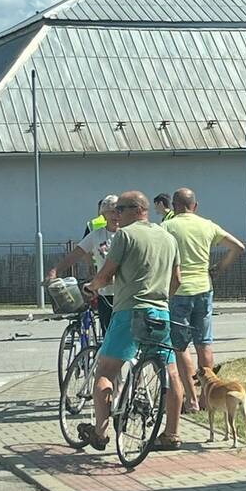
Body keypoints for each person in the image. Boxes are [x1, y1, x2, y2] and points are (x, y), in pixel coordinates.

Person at [79, 191, 185, 452]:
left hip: (129, 311)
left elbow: (106, 274)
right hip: (160, 313)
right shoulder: (168, 238)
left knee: (106, 371)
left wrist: (91, 287)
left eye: (120, 209)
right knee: (170, 372)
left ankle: (101, 433)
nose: (116, 215)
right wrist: (162, 299)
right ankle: (171, 433)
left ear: (136, 210)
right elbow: (178, 280)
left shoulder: (125, 235)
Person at [163, 187, 245, 412]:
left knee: (180, 347)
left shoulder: (167, 226)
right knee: (204, 343)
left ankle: (190, 399)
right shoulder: (207, 225)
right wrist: (219, 267)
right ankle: (206, 398)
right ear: (195, 206)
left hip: (178, 290)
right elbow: (238, 247)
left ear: (174, 207)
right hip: (204, 288)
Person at [47, 195, 120, 333]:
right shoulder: (96, 235)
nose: (115, 215)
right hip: (105, 293)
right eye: (111, 212)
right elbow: (77, 253)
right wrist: (56, 270)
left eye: (118, 211)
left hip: (125, 293)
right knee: (108, 335)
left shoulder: (128, 234)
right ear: (104, 215)